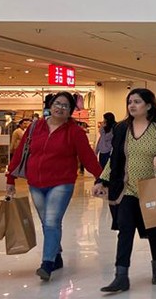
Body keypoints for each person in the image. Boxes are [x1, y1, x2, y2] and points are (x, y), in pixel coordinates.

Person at [93, 88, 156, 293]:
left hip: (152, 188)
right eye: (130, 102)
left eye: (137, 102)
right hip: (128, 188)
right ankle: (121, 276)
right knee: (125, 229)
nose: (132, 105)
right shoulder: (123, 128)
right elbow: (115, 159)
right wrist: (101, 180)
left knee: (153, 229)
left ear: (149, 105)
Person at [6, 92, 103, 282]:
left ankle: (47, 263)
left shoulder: (75, 132)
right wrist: (10, 178)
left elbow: (88, 158)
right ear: (51, 105)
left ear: (71, 111)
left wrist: (102, 178)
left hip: (62, 182)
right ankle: (56, 255)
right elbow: (20, 153)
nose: (60, 108)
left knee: (51, 221)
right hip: (35, 182)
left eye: (66, 106)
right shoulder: (35, 127)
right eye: (57, 103)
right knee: (45, 222)